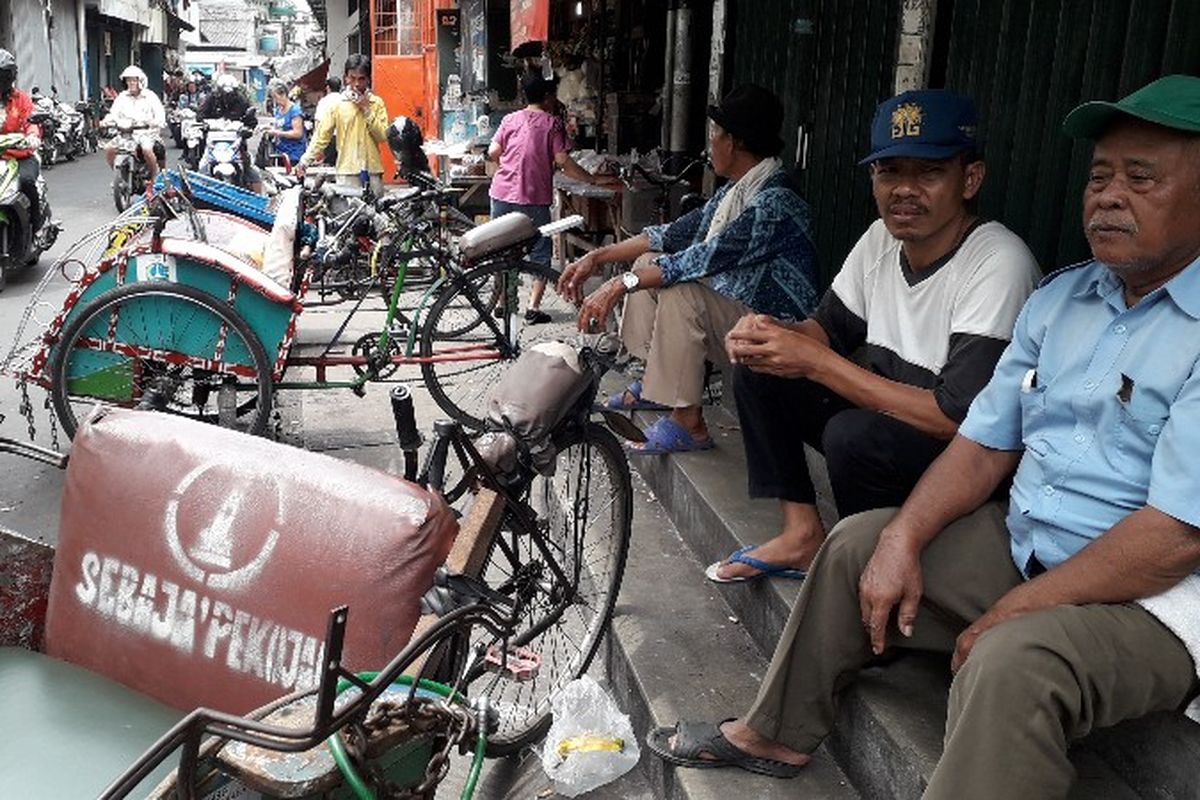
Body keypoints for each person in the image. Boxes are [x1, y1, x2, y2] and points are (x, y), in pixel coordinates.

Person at [647, 74, 1200, 800]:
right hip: (1028, 543)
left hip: (1152, 600)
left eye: (1140, 178)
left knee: (1010, 660)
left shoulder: (1014, 269)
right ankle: (774, 733)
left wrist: (1014, 611)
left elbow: (1174, 538)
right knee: (859, 545)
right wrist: (904, 539)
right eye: (1099, 176)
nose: (1108, 196)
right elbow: (983, 442)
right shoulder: (1065, 299)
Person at [707, 89, 1039, 581]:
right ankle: (802, 533)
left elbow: (954, 419)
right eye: (890, 172)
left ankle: (872, 556)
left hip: (963, 465)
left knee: (854, 435)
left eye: (928, 172)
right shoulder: (881, 239)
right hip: (889, 423)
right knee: (764, 368)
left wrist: (815, 361)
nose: (904, 190)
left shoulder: (998, 262)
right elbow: (827, 331)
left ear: (970, 179)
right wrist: (773, 334)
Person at [557, 84, 822, 455]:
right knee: (648, 264)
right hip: (741, 311)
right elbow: (671, 236)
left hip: (780, 331)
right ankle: (656, 384)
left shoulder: (774, 202)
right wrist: (597, 259)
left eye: (715, 135)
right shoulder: (737, 191)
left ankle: (690, 423)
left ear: (735, 142)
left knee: (683, 291)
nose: (709, 145)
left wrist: (619, 283)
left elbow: (698, 260)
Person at [489, 74, 608, 325]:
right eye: (553, 96)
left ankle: (502, 304)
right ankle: (533, 307)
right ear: (546, 97)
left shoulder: (510, 119)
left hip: (501, 193)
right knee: (539, 251)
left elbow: (493, 152)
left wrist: (509, 168)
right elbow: (564, 161)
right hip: (532, 196)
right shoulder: (552, 124)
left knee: (501, 249)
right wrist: (592, 179)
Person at [296, 54, 389, 197]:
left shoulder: (376, 103)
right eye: (352, 78)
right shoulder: (337, 105)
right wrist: (304, 161)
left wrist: (366, 110)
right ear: (346, 78)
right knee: (348, 215)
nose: (357, 84)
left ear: (368, 79)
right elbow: (322, 137)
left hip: (373, 172)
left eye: (361, 79)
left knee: (376, 214)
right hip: (347, 172)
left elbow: (383, 135)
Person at [0, 49, 49, 236]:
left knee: (27, 182)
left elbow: (31, 122)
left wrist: (33, 136)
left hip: (20, 156)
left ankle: (37, 226)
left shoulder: (21, 99)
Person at [102, 65, 166, 182]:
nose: (131, 83)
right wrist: (105, 122)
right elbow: (114, 114)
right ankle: (120, 176)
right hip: (126, 134)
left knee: (147, 150)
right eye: (128, 80)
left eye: (134, 80)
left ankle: (154, 178)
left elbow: (160, 115)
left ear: (140, 81)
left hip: (146, 133)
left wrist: (154, 122)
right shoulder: (122, 97)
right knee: (109, 148)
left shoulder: (150, 96)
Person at [265, 81, 306, 169]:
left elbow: (298, 133)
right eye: (273, 98)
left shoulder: (295, 111)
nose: (275, 101)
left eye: (276, 97)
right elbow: (280, 126)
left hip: (293, 155)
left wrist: (277, 133)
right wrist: (267, 128)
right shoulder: (279, 110)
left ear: (284, 94)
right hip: (280, 153)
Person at [314, 76, 342, 166]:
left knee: (328, 165)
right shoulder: (344, 101)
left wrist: (317, 141)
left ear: (328, 88)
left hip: (328, 137)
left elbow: (318, 122)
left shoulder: (324, 101)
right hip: (343, 137)